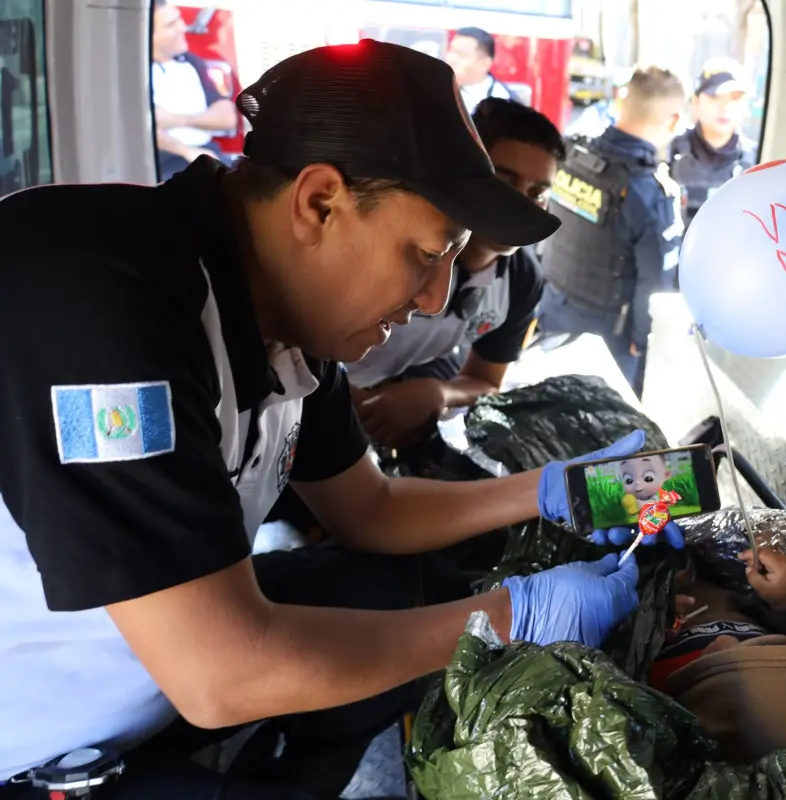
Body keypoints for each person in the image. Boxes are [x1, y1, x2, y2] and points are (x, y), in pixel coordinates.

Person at [0, 41, 681, 798]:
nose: (434, 298)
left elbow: (370, 509)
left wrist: (557, 489)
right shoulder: (97, 300)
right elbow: (221, 674)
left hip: (150, 687)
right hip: (41, 740)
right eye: (426, 253)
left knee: (395, 588)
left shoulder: (290, 320)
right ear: (319, 202)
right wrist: (514, 615)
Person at [346, 98, 565, 449]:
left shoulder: (522, 279)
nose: (520, 205)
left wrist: (437, 392)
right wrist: (337, 399)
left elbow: (486, 379)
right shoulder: (394, 239)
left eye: (537, 193)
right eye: (505, 183)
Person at [537, 66, 687, 398]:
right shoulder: (652, 194)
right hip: (607, 342)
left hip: (551, 309)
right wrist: (642, 340)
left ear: (621, 101)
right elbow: (656, 285)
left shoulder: (572, 154)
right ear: (675, 120)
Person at [650, 547, 786, 762]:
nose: (724, 639)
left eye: (710, 662)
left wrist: (652, 617)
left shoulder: (661, 688)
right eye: (763, 646)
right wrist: (785, 603)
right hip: (728, 592)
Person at [150, 0, 239, 179]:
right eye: (171, 25)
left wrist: (175, 119)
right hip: (165, 164)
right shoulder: (134, 74)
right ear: (149, 35)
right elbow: (143, 131)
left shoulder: (192, 62)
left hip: (207, 154)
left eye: (179, 19)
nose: (183, 27)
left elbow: (228, 118)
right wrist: (187, 151)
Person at [669, 58, 758, 230]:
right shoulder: (669, 153)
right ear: (696, 102)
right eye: (714, 97)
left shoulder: (755, 163)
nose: (725, 107)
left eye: (735, 98)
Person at [444, 27, 512, 114]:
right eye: (451, 50)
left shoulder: (501, 101)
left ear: (484, 64)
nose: (451, 59)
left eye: (461, 54)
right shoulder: (438, 86)